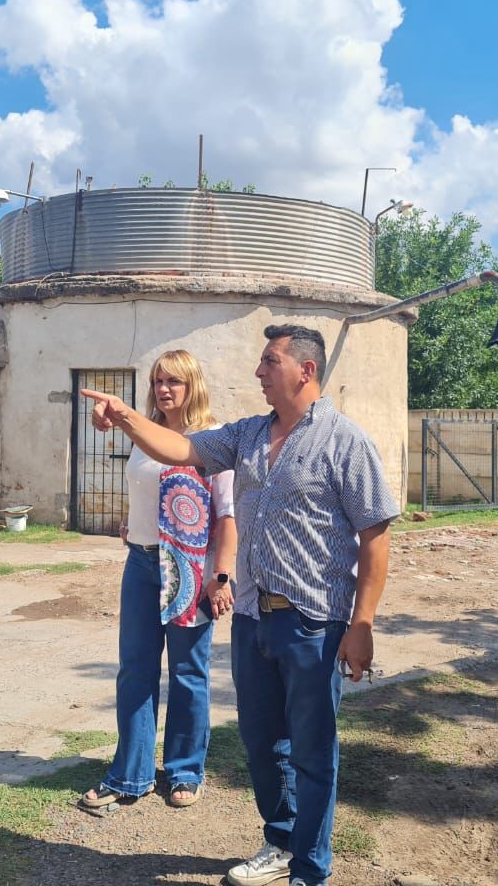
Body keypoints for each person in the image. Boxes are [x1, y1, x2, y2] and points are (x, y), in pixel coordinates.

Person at [82, 324, 399, 886]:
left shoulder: (346, 441)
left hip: (314, 621)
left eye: (269, 362)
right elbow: (181, 447)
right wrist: (127, 416)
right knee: (260, 742)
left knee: (312, 748)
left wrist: (363, 622)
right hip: (254, 617)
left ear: (305, 369)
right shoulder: (248, 435)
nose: (258, 372)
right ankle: (279, 842)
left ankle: (311, 867)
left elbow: (375, 537)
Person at [78, 350, 238, 814]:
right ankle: (131, 774)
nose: (163, 389)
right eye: (157, 380)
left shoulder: (214, 439)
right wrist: (136, 526)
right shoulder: (143, 433)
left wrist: (220, 576)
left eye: (174, 381)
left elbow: (226, 517)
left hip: (190, 569)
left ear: (193, 384)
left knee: (188, 674)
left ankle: (185, 771)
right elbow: (145, 490)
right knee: (135, 670)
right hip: (142, 564)